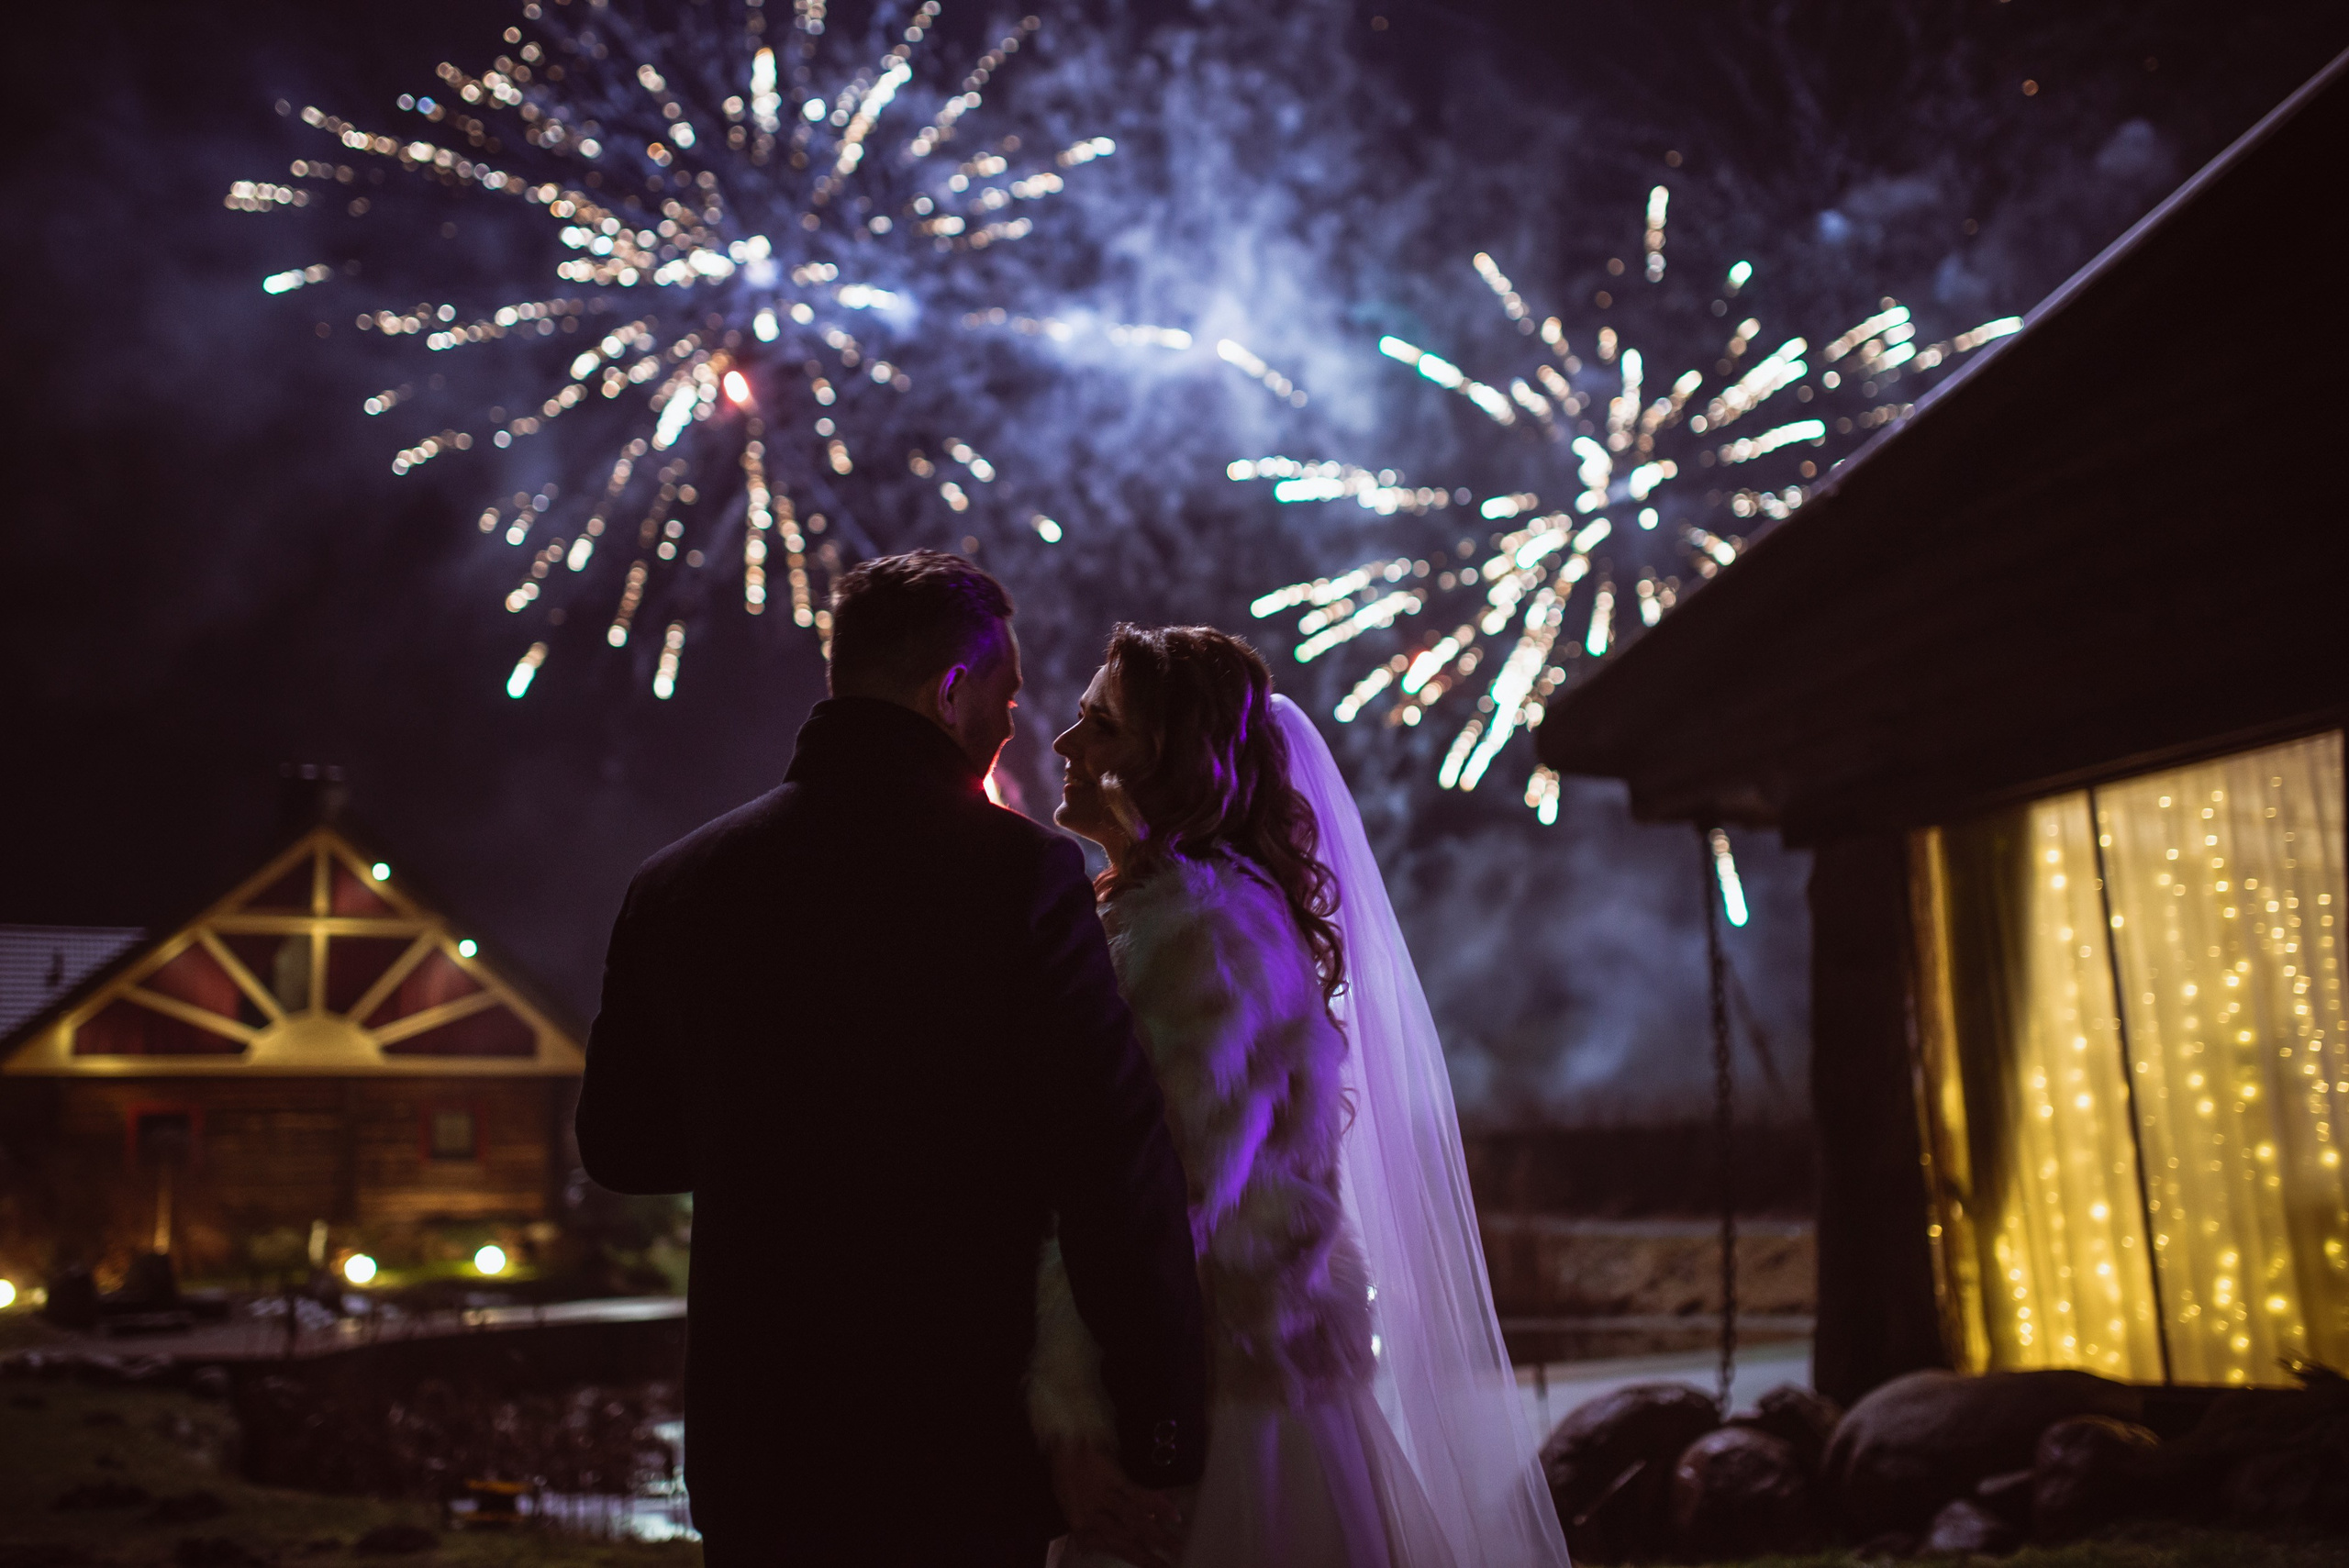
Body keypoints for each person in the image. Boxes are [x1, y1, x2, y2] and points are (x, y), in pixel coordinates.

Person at [575, 553, 1208, 1566]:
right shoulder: (1023, 876)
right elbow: (1112, 1166)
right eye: (1003, 694)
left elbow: (621, 1146)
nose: (1012, 726)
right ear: (950, 690)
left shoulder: (677, 882)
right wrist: (1159, 1423)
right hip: (953, 1436)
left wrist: (771, 1130)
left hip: (758, 1445)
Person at [1036, 625, 1574, 1568]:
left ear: (1174, 763)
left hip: (1211, 1400)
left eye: (1102, 725)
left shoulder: (1195, 935)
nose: (1064, 745)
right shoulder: (1182, 913)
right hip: (1252, 1372)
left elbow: (1158, 1206)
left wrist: (1077, 1418)